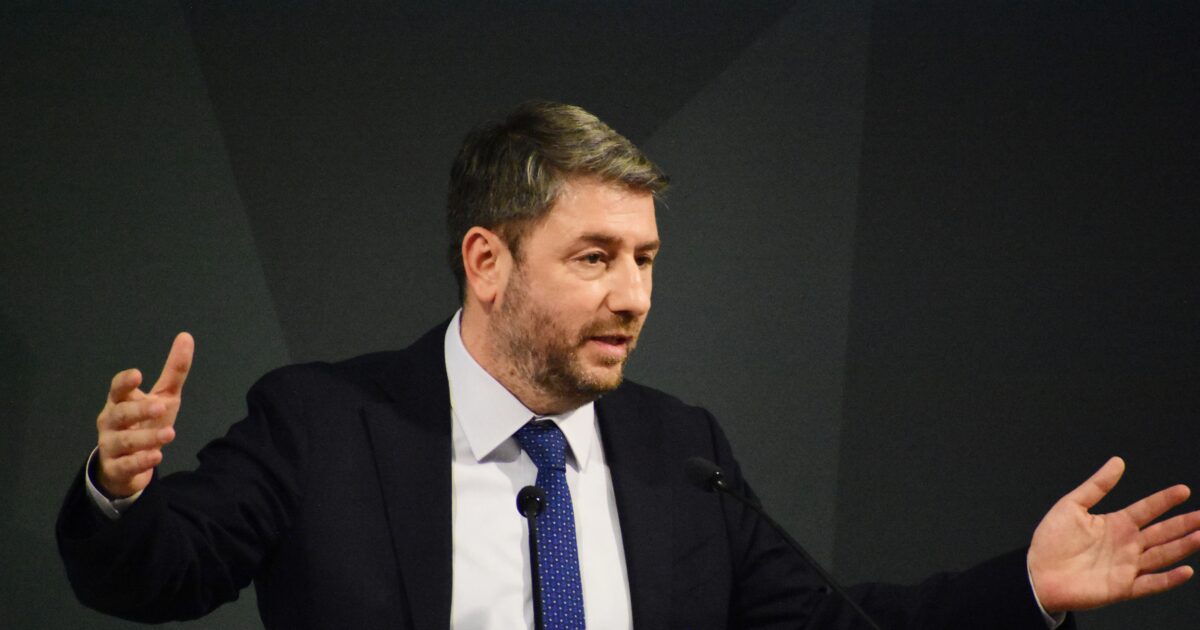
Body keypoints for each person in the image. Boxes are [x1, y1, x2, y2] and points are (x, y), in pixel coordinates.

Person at [58, 101, 1200, 629]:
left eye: (646, 259)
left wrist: (1025, 589)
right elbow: (158, 578)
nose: (635, 296)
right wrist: (118, 492)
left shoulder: (677, 451)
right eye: (596, 257)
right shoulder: (323, 422)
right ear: (487, 261)